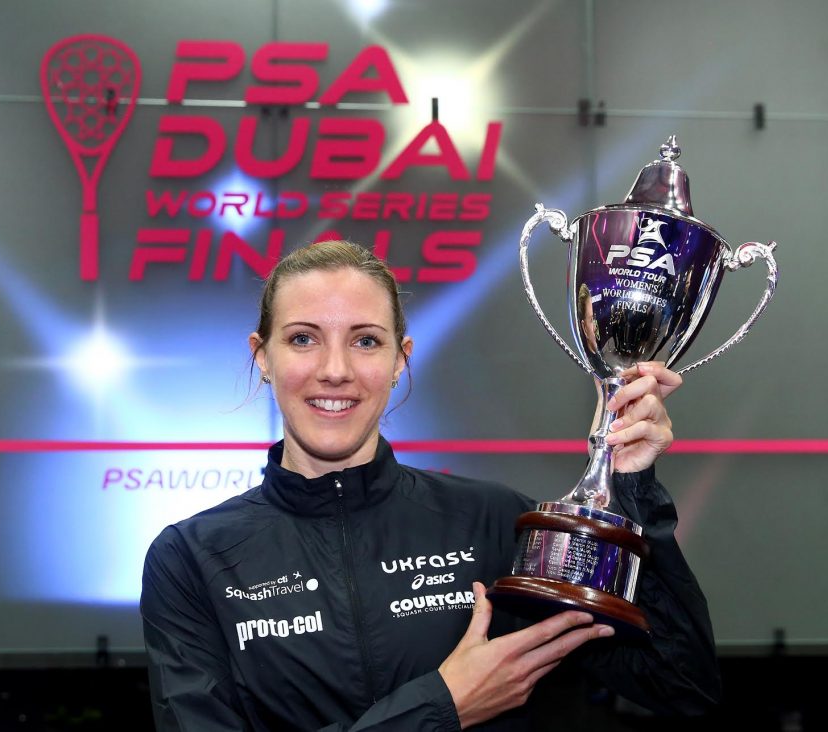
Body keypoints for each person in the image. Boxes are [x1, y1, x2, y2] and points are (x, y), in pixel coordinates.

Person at [140, 240, 721, 731]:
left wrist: (631, 486)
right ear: (262, 356)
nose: (335, 370)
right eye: (303, 339)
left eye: (366, 341)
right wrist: (444, 706)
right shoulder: (193, 558)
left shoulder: (496, 524)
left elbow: (680, 684)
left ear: (400, 360)